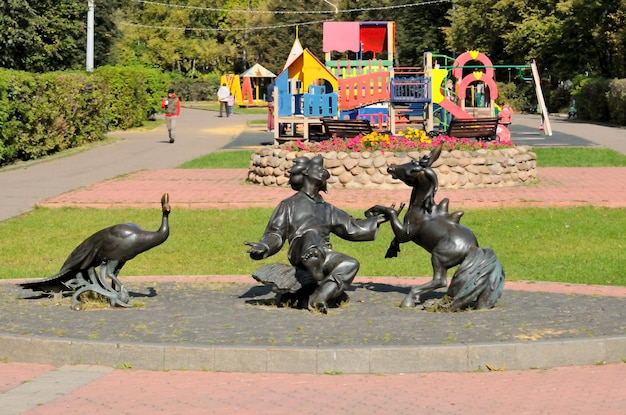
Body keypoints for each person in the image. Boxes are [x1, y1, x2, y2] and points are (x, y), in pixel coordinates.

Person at [245, 155, 388, 313]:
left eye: (324, 170)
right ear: (305, 172)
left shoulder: (327, 208)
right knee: (311, 234)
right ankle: (317, 274)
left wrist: (376, 221)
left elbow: (351, 227)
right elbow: (275, 233)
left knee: (350, 264)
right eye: (318, 169)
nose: (323, 172)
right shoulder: (288, 205)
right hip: (300, 251)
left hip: (324, 253)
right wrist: (264, 246)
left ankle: (318, 297)